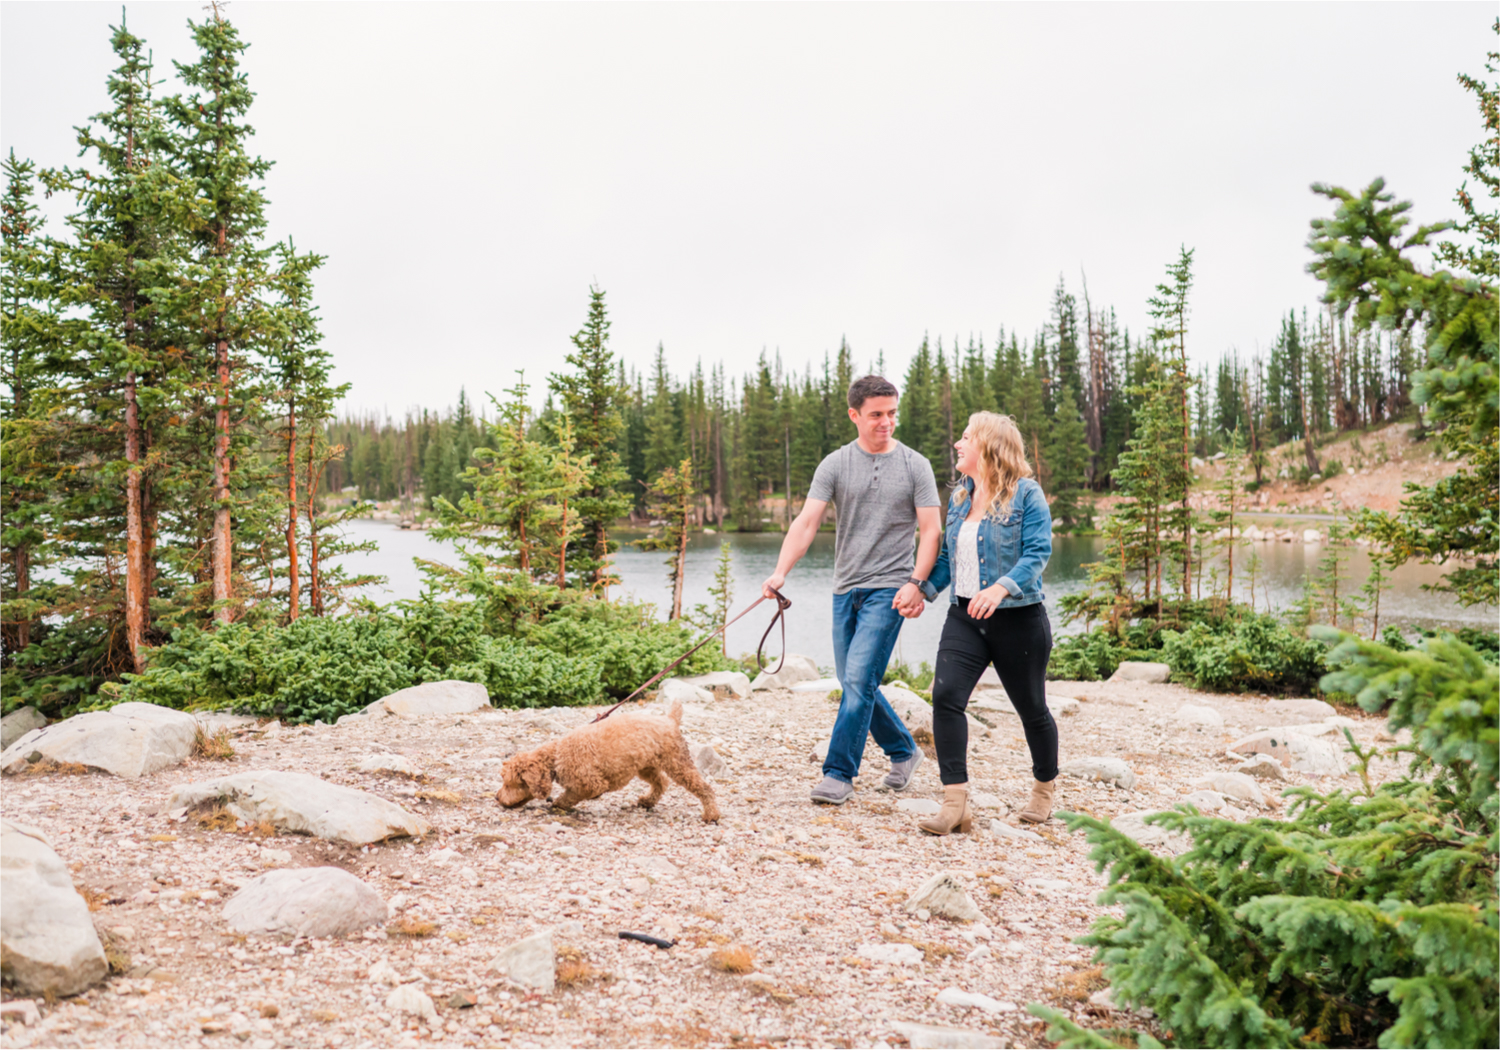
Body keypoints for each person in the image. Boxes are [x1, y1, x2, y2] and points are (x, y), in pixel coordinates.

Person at [761, 375, 943, 805]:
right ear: (854, 415)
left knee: (859, 679)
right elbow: (806, 522)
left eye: (892, 413)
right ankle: (904, 750)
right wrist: (780, 571)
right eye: (877, 414)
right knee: (854, 681)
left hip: (891, 589)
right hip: (845, 589)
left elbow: (932, 530)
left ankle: (839, 773)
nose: (886, 422)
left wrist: (917, 584)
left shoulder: (916, 465)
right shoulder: (835, 464)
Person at [913, 412, 1056, 834]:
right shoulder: (960, 497)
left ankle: (1044, 791)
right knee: (946, 697)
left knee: (1032, 709)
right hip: (964, 617)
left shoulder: (1028, 495)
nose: (958, 443)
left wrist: (1001, 588)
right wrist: (920, 589)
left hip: (1019, 620)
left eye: (966, 437)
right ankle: (955, 802)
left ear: (989, 447)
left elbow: (1037, 553)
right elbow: (946, 561)